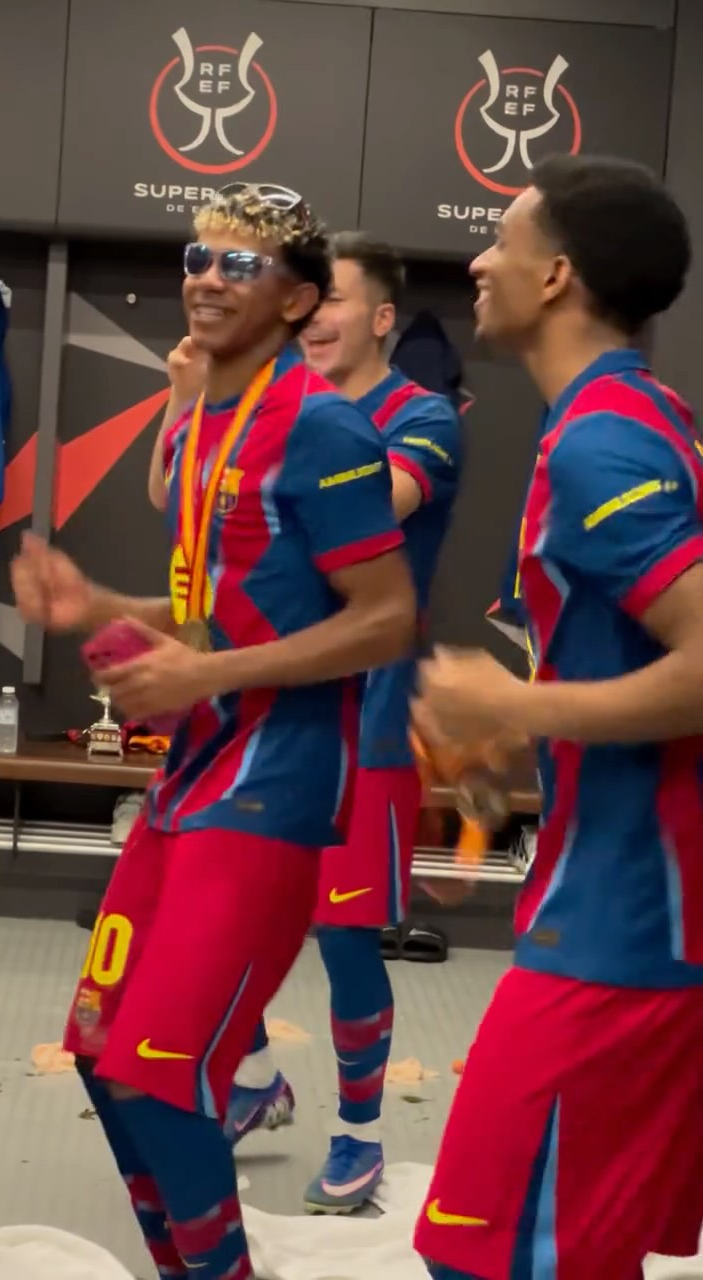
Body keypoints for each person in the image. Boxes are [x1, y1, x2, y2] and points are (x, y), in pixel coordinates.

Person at [12, 181, 416, 1280]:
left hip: (276, 791)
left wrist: (207, 671)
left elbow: (385, 618)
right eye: (198, 256)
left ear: (297, 300)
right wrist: (98, 606)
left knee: (160, 1071)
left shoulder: (324, 427)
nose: (206, 278)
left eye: (241, 265)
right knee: (100, 1054)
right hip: (191, 779)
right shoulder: (201, 426)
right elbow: (208, 608)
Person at [413, 154, 703, 1280]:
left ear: (557, 277)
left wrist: (509, 698)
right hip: (617, 897)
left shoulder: (602, 439)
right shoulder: (621, 416)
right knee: (575, 1245)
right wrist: (512, 746)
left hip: (629, 923)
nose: (479, 261)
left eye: (503, 239)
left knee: (489, 1254)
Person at [149, 233, 465, 1214]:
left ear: (379, 318)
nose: (315, 317)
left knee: (342, 935)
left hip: (365, 721)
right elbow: (170, 495)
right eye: (307, 300)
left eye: (335, 302)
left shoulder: (419, 417)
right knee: (208, 911)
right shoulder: (257, 403)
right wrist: (191, 400)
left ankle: (359, 1133)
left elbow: (373, 506)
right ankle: (254, 1080)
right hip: (247, 719)